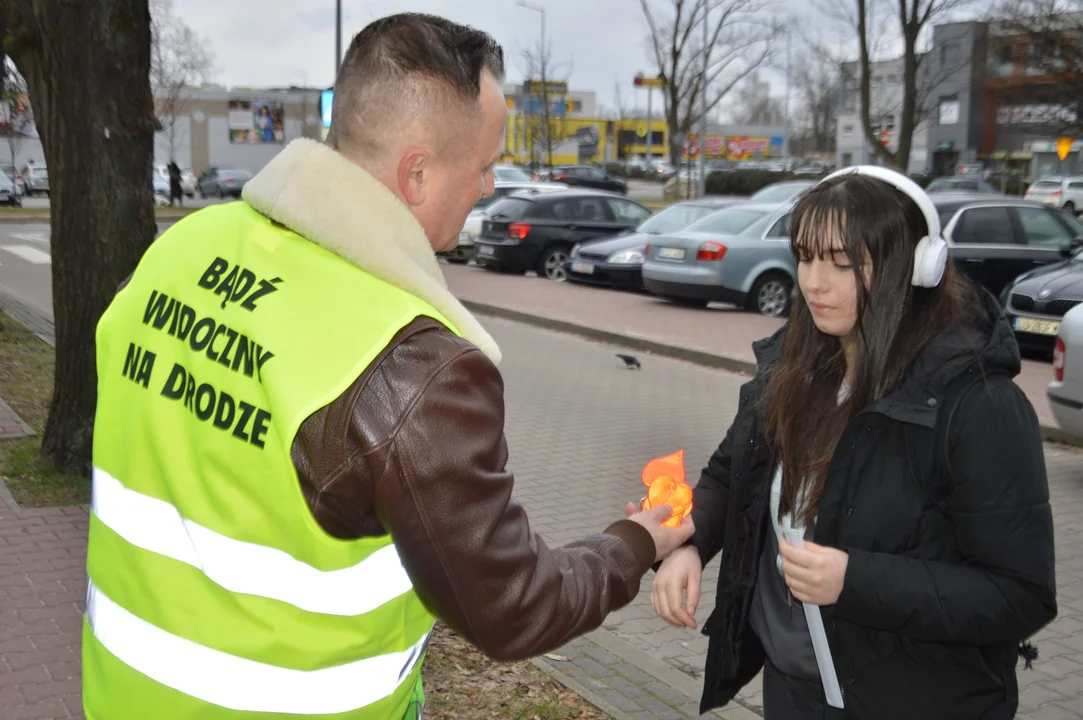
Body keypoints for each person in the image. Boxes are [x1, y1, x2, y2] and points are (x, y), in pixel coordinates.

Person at [83, 13, 692, 719]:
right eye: (485, 165)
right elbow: (514, 607)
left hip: (124, 695)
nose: (491, 186)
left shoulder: (182, 249)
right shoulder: (414, 362)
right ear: (417, 173)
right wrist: (639, 539)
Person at [652, 166, 1057, 719]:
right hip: (793, 689)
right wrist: (690, 545)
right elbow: (730, 476)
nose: (813, 282)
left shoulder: (978, 405)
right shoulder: (793, 369)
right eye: (805, 256)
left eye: (842, 263)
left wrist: (856, 581)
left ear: (913, 267)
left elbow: (1019, 594)